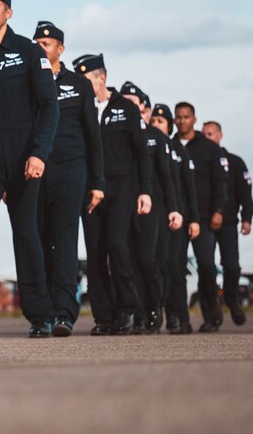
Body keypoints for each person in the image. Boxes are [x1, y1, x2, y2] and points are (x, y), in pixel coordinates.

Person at [0, 0, 59, 337]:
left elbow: (49, 106)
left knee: (27, 235)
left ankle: (40, 316)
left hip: (24, 158)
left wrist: (38, 152)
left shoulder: (27, 51)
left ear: (9, 12)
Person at [72, 55, 152, 335]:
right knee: (95, 253)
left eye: (86, 80)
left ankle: (127, 310)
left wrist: (145, 191)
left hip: (122, 189)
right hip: (89, 190)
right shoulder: (80, 108)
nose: (81, 85)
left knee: (117, 245)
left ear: (101, 78)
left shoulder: (125, 109)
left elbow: (142, 152)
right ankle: (103, 316)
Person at [35, 22, 103, 337]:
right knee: (37, 241)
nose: (41, 46)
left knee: (63, 242)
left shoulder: (79, 84)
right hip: (35, 171)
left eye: (47, 42)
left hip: (71, 170)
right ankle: (42, 313)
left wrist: (97, 182)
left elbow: (93, 136)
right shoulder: (28, 80)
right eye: (37, 41)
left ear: (60, 48)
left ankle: (63, 313)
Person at [120, 82, 183, 333]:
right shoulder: (116, 134)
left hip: (151, 206)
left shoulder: (156, 138)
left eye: (133, 104)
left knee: (148, 259)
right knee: (128, 261)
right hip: (124, 204)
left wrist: (174, 208)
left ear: (144, 109)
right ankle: (135, 312)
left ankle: (154, 308)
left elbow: (167, 177)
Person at [174, 102, 229, 332]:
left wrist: (219, 210)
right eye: (178, 117)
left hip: (205, 217)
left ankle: (211, 315)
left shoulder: (209, 148)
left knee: (206, 266)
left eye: (186, 117)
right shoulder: (170, 146)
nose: (182, 121)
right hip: (177, 217)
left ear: (194, 119)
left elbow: (220, 183)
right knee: (175, 267)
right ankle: (180, 319)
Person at [149, 104, 201, 334]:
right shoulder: (146, 147)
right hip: (155, 216)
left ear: (169, 126)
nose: (156, 126)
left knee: (175, 267)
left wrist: (193, 219)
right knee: (157, 266)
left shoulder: (178, 150)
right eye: (153, 122)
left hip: (178, 217)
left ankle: (179, 317)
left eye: (161, 122)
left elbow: (190, 190)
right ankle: (156, 313)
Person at [202, 121, 253, 327]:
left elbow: (246, 194)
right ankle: (211, 313)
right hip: (204, 221)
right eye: (204, 134)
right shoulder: (197, 161)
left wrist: (247, 218)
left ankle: (232, 299)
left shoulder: (235, 162)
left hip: (229, 222)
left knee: (231, 266)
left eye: (211, 134)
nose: (207, 138)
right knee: (206, 268)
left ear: (220, 135)